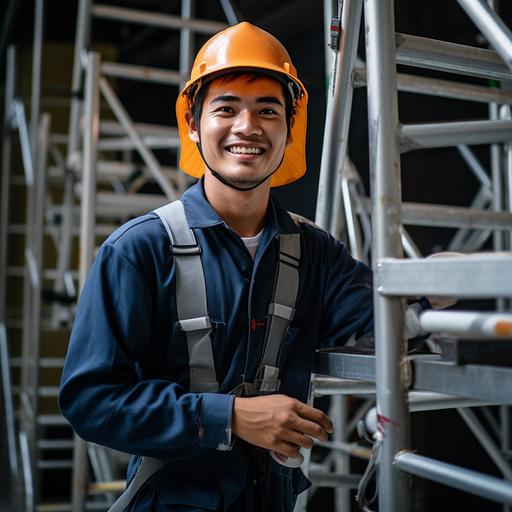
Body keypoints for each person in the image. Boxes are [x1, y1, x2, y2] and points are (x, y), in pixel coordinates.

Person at [59, 22, 408, 511]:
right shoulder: (138, 250)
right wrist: (231, 417)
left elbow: (385, 317)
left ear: (290, 130)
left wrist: (436, 286)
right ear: (194, 125)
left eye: (268, 110)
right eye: (226, 108)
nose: (248, 126)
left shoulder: (315, 253)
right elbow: (90, 402)